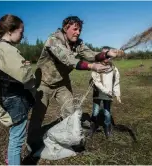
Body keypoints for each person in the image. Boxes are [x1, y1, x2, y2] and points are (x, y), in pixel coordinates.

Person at [27, 16, 124, 151]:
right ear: (66, 28)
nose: (78, 32)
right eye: (75, 29)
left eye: (80, 30)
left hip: (62, 83)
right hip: (43, 83)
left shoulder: (78, 43)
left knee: (71, 112)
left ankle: (73, 140)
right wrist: (92, 66)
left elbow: (91, 55)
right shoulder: (53, 41)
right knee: (38, 115)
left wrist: (107, 53)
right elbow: (68, 60)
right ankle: (31, 143)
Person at [0, 14, 36, 165]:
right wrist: (27, 66)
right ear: (10, 31)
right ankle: (13, 162)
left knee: (14, 134)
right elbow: (26, 76)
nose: (23, 35)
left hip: (4, 95)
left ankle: (11, 159)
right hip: (14, 99)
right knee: (17, 138)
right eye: (21, 31)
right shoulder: (7, 49)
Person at [89, 46, 122, 139]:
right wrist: (107, 91)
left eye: (108, 55)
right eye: (104, 55)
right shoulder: (96, 67)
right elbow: (97, 83)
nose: (106, 57)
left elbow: (116, 82)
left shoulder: (114, 69)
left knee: (107, 113)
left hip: (108, 96)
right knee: (95, 112)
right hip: (98, 94)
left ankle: (107, 129)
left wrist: (117, 94)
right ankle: (92, 128)